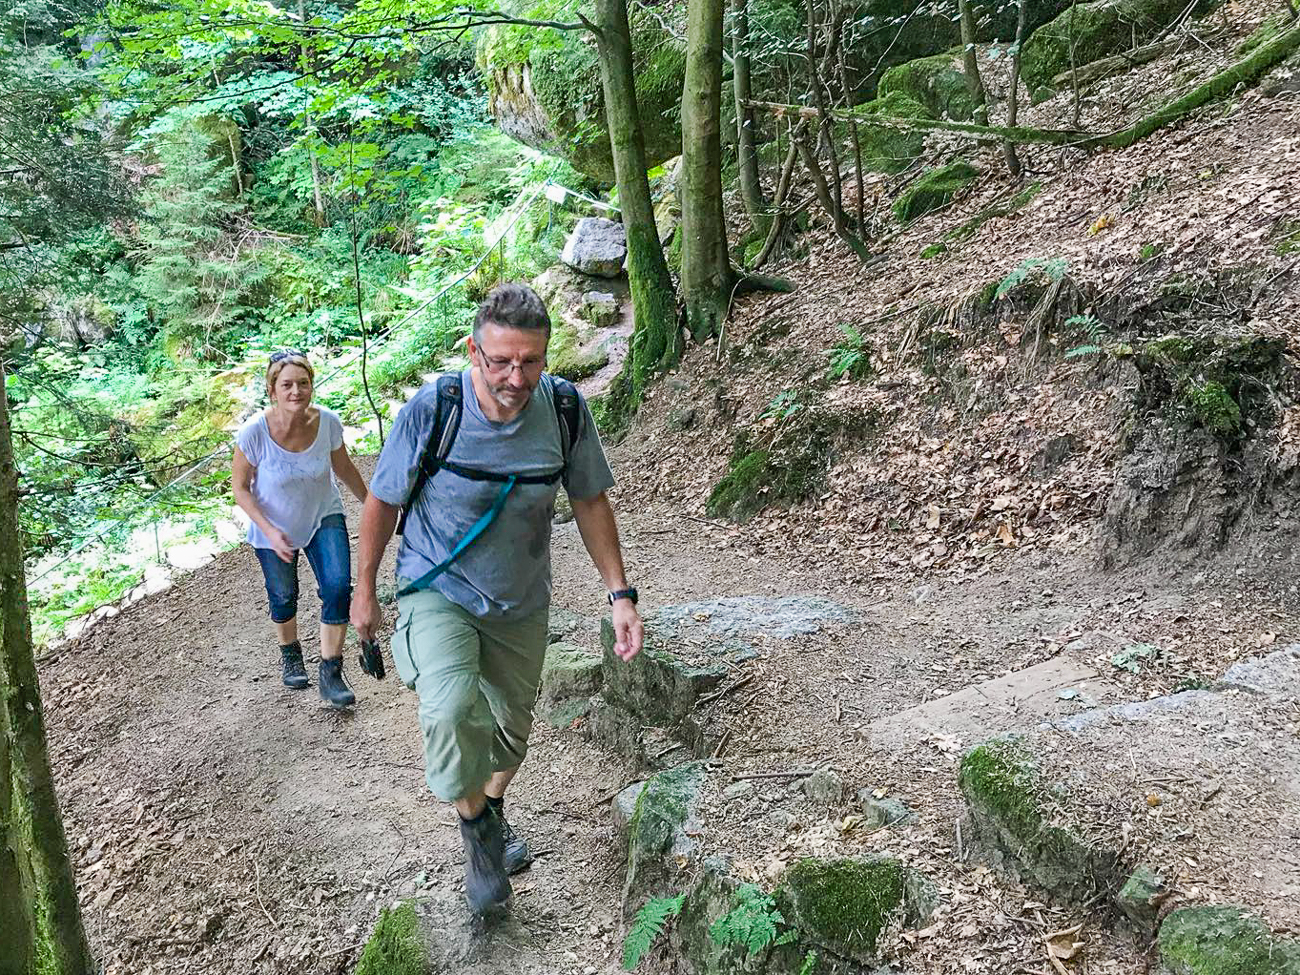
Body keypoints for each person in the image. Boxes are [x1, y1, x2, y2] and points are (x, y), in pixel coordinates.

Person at [350, 283, 643, 915]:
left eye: (530, 361)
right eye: (501, 361)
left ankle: (488, 804)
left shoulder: (564, 410)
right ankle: (479, 833)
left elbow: (590, 500)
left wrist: (620, 594)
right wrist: (365, 590)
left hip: (521, 598)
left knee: (512, 729)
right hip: (439, 586)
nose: (516, 377)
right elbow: (383, 499)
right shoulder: (437, 407)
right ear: (473, 351)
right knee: (453, 711)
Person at [232, 350, 369, 707]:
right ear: (272, 389)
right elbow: (240, 489)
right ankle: (290, 652)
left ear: (312, 386)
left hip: (324, 514)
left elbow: (345, 469)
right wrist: (269, 530)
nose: (296, 391)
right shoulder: (253, 433)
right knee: (283, 595)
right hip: (272, 527)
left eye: (303, 383)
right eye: (287, 384)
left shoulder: (327, 423)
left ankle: (331, 670)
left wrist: (372, 504)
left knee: (338, 587)